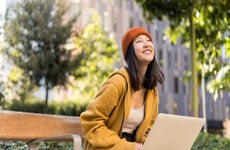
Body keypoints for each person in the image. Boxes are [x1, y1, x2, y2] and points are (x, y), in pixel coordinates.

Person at [80, 26, 165, 150]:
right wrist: (129, 147)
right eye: (139, 41)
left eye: (148, 40)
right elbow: (91, 122)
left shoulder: (152, 91)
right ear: (130, 52)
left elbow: (148, 131)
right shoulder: (117, 83)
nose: (147, 44)